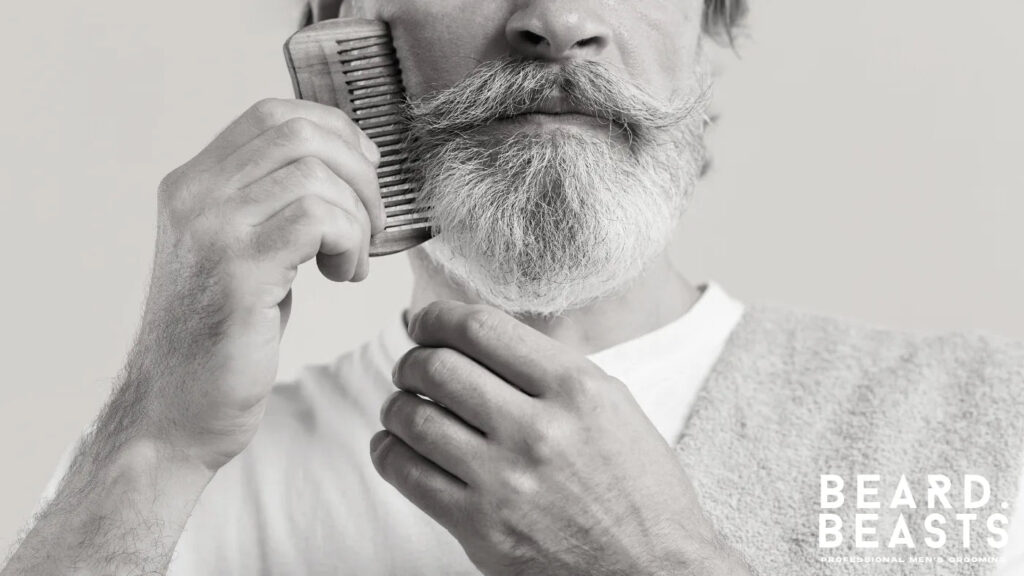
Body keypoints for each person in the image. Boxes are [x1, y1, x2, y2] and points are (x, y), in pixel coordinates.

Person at [3, 1, 1023, 575]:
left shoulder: (985, 436)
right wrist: (150, 440)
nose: (558, 21)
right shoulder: (166, 495)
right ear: (341, 31)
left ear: (706, 46)